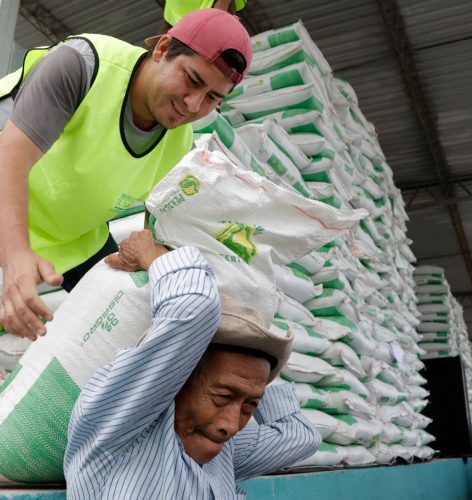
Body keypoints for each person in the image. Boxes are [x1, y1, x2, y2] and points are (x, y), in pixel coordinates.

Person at [0, 9, 252, 340]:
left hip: (71, 238)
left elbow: (162, 227)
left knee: (130, 317)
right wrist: (16, 259)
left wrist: (155, 255)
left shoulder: (179, 146)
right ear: (162, 49)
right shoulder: (84, 64)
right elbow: (10, 158)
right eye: (192, 80)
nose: (193, 105)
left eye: (212, 98)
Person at [64, 230, 321, 499]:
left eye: (248, 407)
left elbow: (299, 436)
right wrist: (152, 255)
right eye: (222, 396)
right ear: (175, 378)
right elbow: (194, 305)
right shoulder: (121, 428)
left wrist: (257, 365)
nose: (232, 426)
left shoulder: (221, 454)